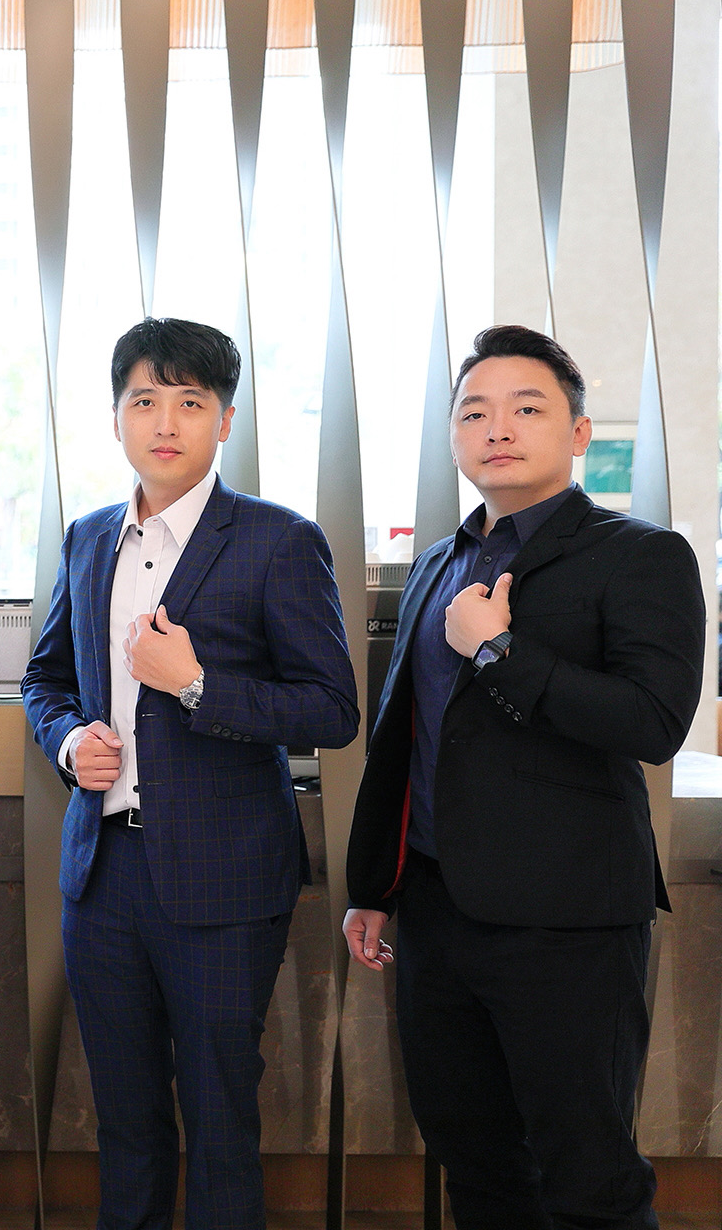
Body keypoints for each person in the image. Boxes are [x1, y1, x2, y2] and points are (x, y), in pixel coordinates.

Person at [342, 325, 703, 1229]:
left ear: (578, 433)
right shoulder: (439, 563)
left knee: (589, 1179)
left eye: (527, 408)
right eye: (474, 413)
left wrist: (499, 651)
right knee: (477, 1167)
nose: (497, 427)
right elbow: (405, 736)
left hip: (568, 922)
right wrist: (374, 888)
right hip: (435, 915)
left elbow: (653, 723)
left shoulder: (643, 554)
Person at [22, 317, 359, 1228]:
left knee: (219, 1121)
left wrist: (197, 685)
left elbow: (331, 710)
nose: (165, 422)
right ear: (117, 418)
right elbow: (46, 679)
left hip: (226, 879)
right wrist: (68, 742)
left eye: (190, 402)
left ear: (225, 419)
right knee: (125, 1122)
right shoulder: (89, 537)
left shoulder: (280, 540)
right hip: (102, 875)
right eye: (144, 401)